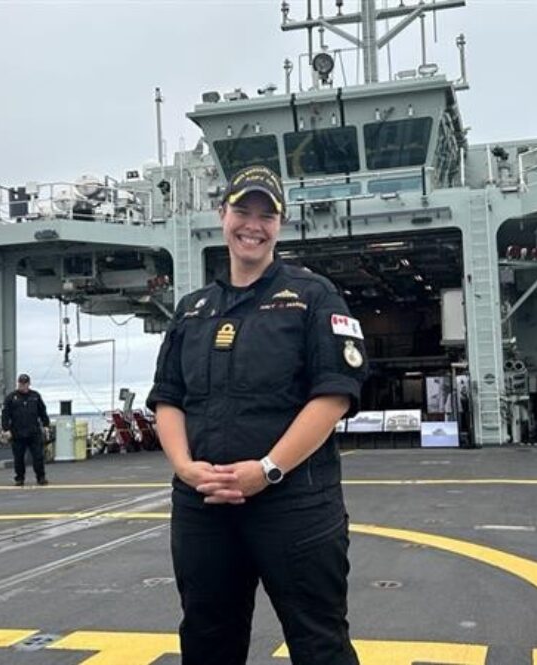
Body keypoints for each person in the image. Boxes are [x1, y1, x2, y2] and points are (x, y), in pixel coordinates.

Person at [146, 165, 368, 665]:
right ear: (221, 215)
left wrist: (266, 471)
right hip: (204, 507)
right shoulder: (191, 310)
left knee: (319, 642)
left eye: (267, 215)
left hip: (295, 505)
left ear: (280, 225)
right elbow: (168, 398)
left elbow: (333, 395)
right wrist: (184, 467)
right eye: (243, 211)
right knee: (206, 639)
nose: (254, 224)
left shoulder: (314, 296)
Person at [1, 374, 50, 487]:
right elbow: (5, 415)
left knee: (38, 456)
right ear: (18, 383)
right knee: (19, 458)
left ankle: (41, 477)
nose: (23, 386)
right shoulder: (11, 398)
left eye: (25, 383)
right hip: (17, 433)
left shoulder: (35, 396)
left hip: (33, 432)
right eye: (21, 383)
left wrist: (46, 425)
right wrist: (6, 429)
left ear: (28, 384)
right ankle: (19, 478)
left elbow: (42, 412)